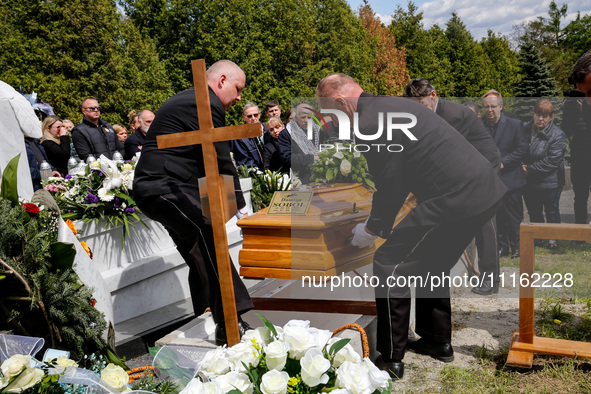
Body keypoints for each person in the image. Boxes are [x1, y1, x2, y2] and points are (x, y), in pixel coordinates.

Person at [316, 74, 506, 380]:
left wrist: (373, 228)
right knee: (434, 262)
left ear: (340, 102)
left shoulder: (369, 123)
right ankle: (436, 340)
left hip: (455, 196)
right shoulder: (388, 106)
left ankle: (392, 359)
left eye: (329, 113)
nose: (330, 120)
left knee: (390, 263)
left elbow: (392, 184)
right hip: (482, 191)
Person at [133, 60, 253, 345]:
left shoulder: (192, 99)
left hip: (161, 187)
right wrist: (239, 206)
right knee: (209, 236)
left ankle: (208, 315)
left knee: (197, 250)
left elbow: (202, 159)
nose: (239, 97)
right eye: (237, 89)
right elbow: (221, 156)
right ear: (222, 80)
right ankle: (230, 320)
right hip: (164, 186)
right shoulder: (205, 102)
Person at [404, 79, 502, 295]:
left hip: (485, 168)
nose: (416, 109)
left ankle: (490, 278)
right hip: (465, 171)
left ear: (433, 95)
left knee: (485, 225)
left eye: (420, 103)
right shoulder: (426, 114)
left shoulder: (454, 116)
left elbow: (440, 154)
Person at [482, 90, 528, 259]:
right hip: (491, 180)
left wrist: (503, 162)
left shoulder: (515, 125)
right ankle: (502, 247)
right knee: (498, 217)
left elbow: (522, 149)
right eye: (486, 107)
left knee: (514, 217)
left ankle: (517, 247)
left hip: (511, 178)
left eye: (493, 106)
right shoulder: (480, 125)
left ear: (501, 106)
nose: (489, 110)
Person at [522, 99, 566, 249]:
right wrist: (520, 165)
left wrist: (529, 169)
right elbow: (518, 149)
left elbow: (553, 161)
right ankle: (538, 237)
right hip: (530, 181)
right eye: (538, 114)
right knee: (534, 210)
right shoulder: (525, 129)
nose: (540, 119)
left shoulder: (558, 135)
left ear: (551, 117)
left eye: (545, 116)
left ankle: (553, 239)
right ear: (533, 114)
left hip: (550, 181)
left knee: (552, 210)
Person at [563, 50, 591, 224]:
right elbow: (566, 130)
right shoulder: (573, 106)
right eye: (584, 94)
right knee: (580, 195)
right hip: (580, 155)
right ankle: (580, 230)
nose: (588, 99)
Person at [277, 103, 319, 184]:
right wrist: (311, 158)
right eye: (303, 117)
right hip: (300, 179)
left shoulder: (317, 131)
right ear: (296, 117)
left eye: (309, 117)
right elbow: (287, 158)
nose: (306, 120)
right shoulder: (286, 134)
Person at [230, 103, 264, 169]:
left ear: (259, 115)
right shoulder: (239, 137)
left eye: (255, 115)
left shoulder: (269, 130)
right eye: (249, 116)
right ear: (244, 118)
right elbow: (244, 161)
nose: (253, 118)